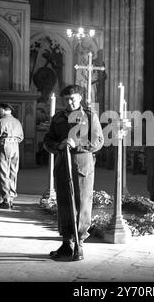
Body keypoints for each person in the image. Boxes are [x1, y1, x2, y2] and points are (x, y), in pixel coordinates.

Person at [43, 85, 104, 261]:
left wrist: (77, 145)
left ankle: (79, 244)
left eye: (73, 99)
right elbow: (48, 140)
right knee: (63, 202)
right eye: (66, 100)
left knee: (82, 203)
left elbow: (99, 141)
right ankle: (66, 242)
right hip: (62, 165)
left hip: (82, 166)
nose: (70, 102)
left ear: (80, 99)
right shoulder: (58, 118)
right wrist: (59, 146)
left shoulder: (90, 116)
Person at [0, 103, 24, 209]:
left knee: (3, 172)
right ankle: (11, 198)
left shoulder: (0, 121)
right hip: (15, 147)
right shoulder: (17, 122)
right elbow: (21, 137)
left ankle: (6, 200)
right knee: (13, 172)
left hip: (4, 146)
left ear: (2, 110)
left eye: (0, 110)